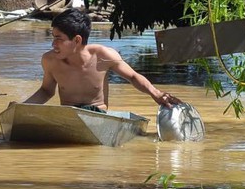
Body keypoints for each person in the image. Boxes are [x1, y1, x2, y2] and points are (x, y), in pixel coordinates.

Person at [22, 8, 181, 112]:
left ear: (77, 40)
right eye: (53, 37)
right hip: (69, 115)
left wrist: (156, 93)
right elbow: (46, 91)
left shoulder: (104, 56)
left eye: (59, 39)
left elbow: (132, 77)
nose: (53, 44)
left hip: (97, 114)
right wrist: (22, 108)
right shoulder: (50, 60)